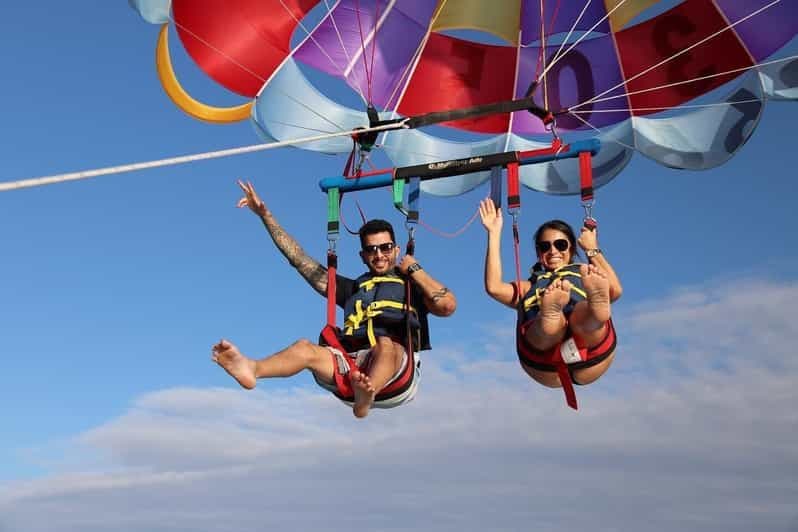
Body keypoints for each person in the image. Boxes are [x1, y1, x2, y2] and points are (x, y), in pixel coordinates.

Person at [212, 180, 456, 418]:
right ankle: (253, 368)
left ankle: (366, 396)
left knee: (385, 344)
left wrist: (414, 270)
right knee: (304, 348)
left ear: (396, 249)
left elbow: (447, 306)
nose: (379, 254)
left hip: (396, 372)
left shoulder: (412, 287)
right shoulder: (351, 289)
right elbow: (299, 259)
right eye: (371, 249)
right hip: (350, 369)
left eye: (385, 247)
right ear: (363, 255)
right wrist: (265, 215)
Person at [478, 198, 622, 397]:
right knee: (551, 325)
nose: (553, 251)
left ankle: (591, 312)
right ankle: (551, 317)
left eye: (560, 244)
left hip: (589, 351)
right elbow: (494, 287)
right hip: (546, 363)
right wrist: (493, 234)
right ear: (539, 253)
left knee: (581, 313)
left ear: (571, 248)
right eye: (545, 246)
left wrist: (591, 247)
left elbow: (614, 290)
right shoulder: (528, 286)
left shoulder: (586, 273)